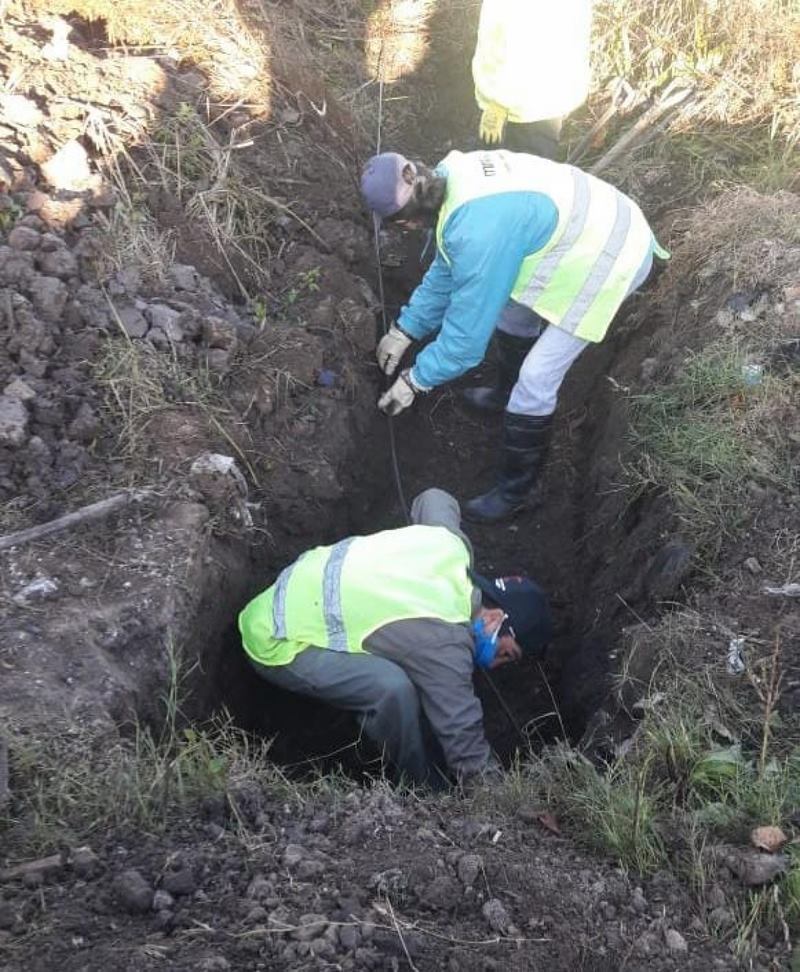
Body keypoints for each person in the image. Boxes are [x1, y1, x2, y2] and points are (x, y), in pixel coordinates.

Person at [360, 149, 667, 522]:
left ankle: (518, 490)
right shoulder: (451, 176)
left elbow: (465, 344)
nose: (403, 230)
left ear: (408, 220)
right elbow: (448, 268)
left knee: (537, 378)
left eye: (397, 223)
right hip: (584, 233)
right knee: (509, 309)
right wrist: (404, 329)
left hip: (612, 257)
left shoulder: (478, 232)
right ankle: (504, 394)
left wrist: (414, 380)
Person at [239, 488, 551, 788]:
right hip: (278, 638)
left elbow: (435, 498)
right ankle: (420, 786)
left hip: (297, 582)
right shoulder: (445, 643)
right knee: (393, 690)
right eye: (506, 654)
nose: (495, 664)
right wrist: (498, 795)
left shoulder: (451, 546)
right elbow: (463, 740)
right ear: (496, 618)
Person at [472, 0, 592, 159]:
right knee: (529, 171)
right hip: (544, 99)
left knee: (502, 174)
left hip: (520, 106)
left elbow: (526, 47)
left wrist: (500, 102)